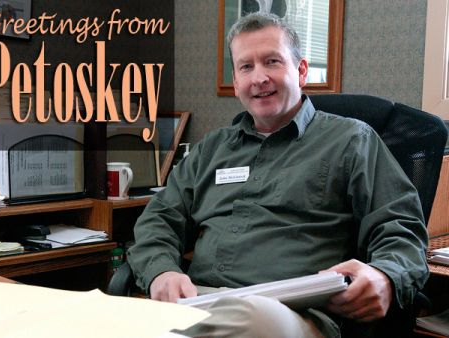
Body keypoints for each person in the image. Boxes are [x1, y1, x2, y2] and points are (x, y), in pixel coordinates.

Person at [128, 12, 429, 337]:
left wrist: (385, 275)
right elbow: (158, 220)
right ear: (236, 82)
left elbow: (401, 230)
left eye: (272, 61)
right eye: (246, 67)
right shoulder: (211, 150)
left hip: (290, 314)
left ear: (301, 71)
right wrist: (161, 272)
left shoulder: (352, 141)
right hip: (201, 301)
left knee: (251, 319)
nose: (259, 78)